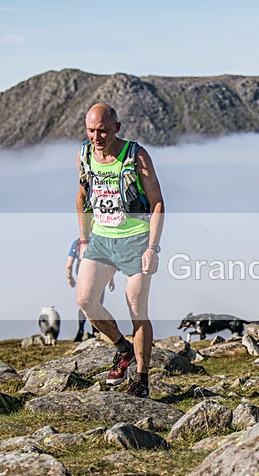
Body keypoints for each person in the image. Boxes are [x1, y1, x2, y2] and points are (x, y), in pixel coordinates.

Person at [75, 103, 165, 398]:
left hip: (135, 239)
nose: (96, 137)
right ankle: (121, 348)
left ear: (117, 128)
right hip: (101, 239)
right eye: (91, 130)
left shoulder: (136, 155)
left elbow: (157, 203)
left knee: (137, 308)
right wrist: (84, 238)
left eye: (102, 131)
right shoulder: (84, 155)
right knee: (85, 300)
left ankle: (141, 380)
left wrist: (152, 247)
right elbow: (81, 197)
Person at [67, 237, 114, 341]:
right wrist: (111, 279)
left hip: (82, 279)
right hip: (99, 277)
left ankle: (81, 329)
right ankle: (96, 332)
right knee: (97, 304)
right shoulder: (101, 241)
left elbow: (69, 265)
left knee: (84, 304)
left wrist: (70, 277)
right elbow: (109, 262)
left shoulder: (77, 243)